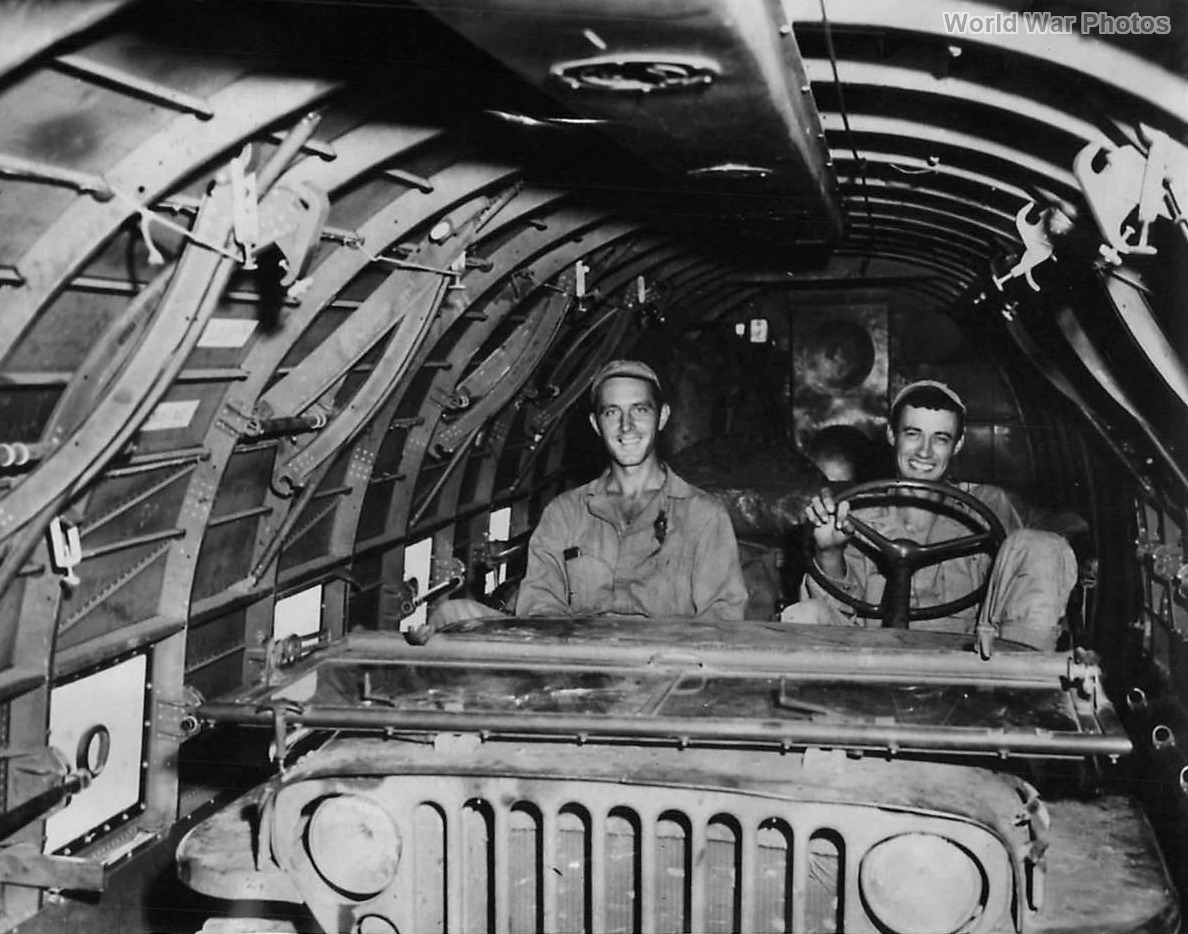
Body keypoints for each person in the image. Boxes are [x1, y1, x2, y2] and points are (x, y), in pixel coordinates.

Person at [783, 380, 1077, 655]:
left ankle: (1019, 683)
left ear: (958, 444)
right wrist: (830, 552)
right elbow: (837, 613)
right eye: (913, 434)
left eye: (940, 438)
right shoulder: (855, 513)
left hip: (969, 659)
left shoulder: (989, 505)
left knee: (1042, 545)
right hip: (871, 654)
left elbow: (1059, 532)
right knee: (804, 614)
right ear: (891, 435)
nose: (924, 452)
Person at [514, 359, 748, 620]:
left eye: (640, 410)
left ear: (662, 417)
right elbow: (539, 606)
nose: (626, 426)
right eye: (612, 412)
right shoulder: (564, 514)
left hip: (669, 658)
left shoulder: (703, 515)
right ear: (595, 424)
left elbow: (721, 620)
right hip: (586, 656)